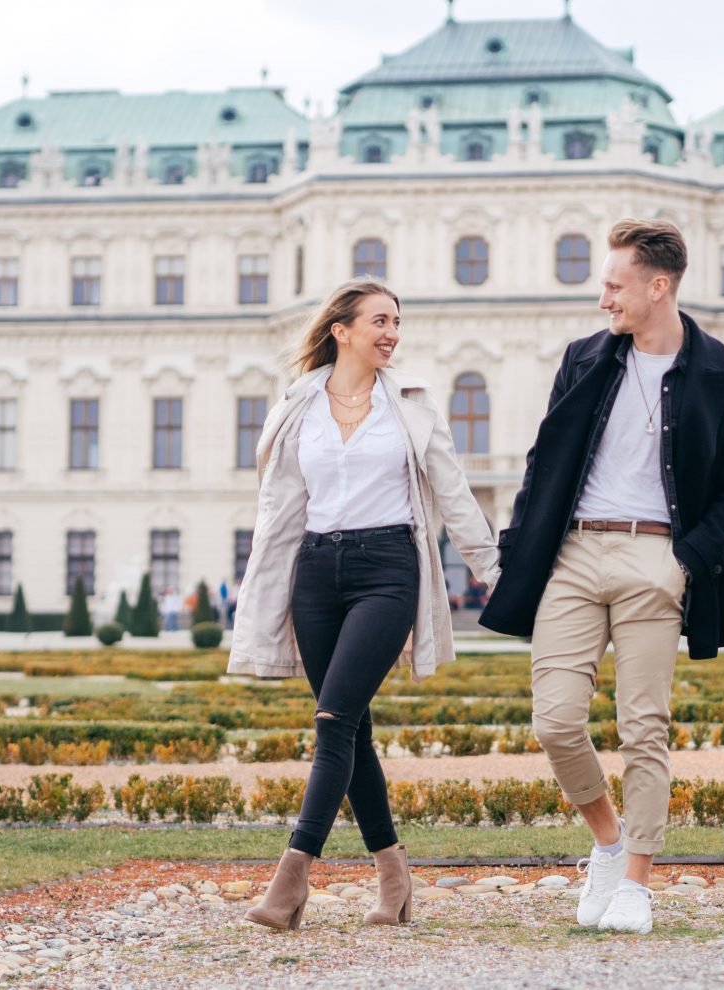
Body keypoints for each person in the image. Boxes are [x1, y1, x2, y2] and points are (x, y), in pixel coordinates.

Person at [480, 219, 724, 934]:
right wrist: (519, 549)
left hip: (657, 559)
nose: (604, 298)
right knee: (555, 721)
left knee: (645, 728)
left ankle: (636, 882)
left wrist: (686, 560)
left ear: (657, 285)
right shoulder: (584, 359)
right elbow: (545, 461)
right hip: (573, 555)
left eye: (615, 285)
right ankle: (608, 840)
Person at [228, 278, 499, 930]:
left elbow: (454, 492)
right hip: (316, 573)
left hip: (387, 570)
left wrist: (494, 571)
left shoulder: (409, 404)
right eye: (379, 320)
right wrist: (262, 590)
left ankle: (290, 880)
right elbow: (279, 510)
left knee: (331, 722)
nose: (392, 332)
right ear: (342, 329)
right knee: (352, 728)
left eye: (396, 322)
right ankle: (394, 876)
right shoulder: (299, 405)